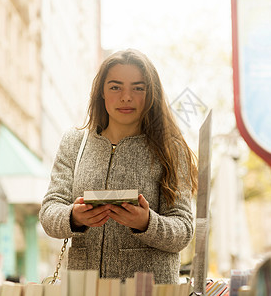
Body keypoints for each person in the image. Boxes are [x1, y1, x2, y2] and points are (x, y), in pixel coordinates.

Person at [39, 49, 198, 284]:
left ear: (151, 93)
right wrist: (74, 217)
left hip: (149, 288)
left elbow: (183, 229)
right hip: (85, 287)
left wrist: (146, 223)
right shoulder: (75, 142)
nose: (126, 97)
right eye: (115, 87)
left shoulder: (171, 148)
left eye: (138, 87)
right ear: (102, 92)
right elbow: (49, 212)